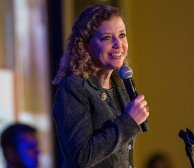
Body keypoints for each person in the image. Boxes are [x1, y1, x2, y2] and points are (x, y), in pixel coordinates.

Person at [52, 4, 149, 168]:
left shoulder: (120, 82)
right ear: (85, 45)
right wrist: (129, 122)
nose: (118, 44)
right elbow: (81, 156)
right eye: (107, 38)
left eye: (122, 35)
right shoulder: (74, 86)